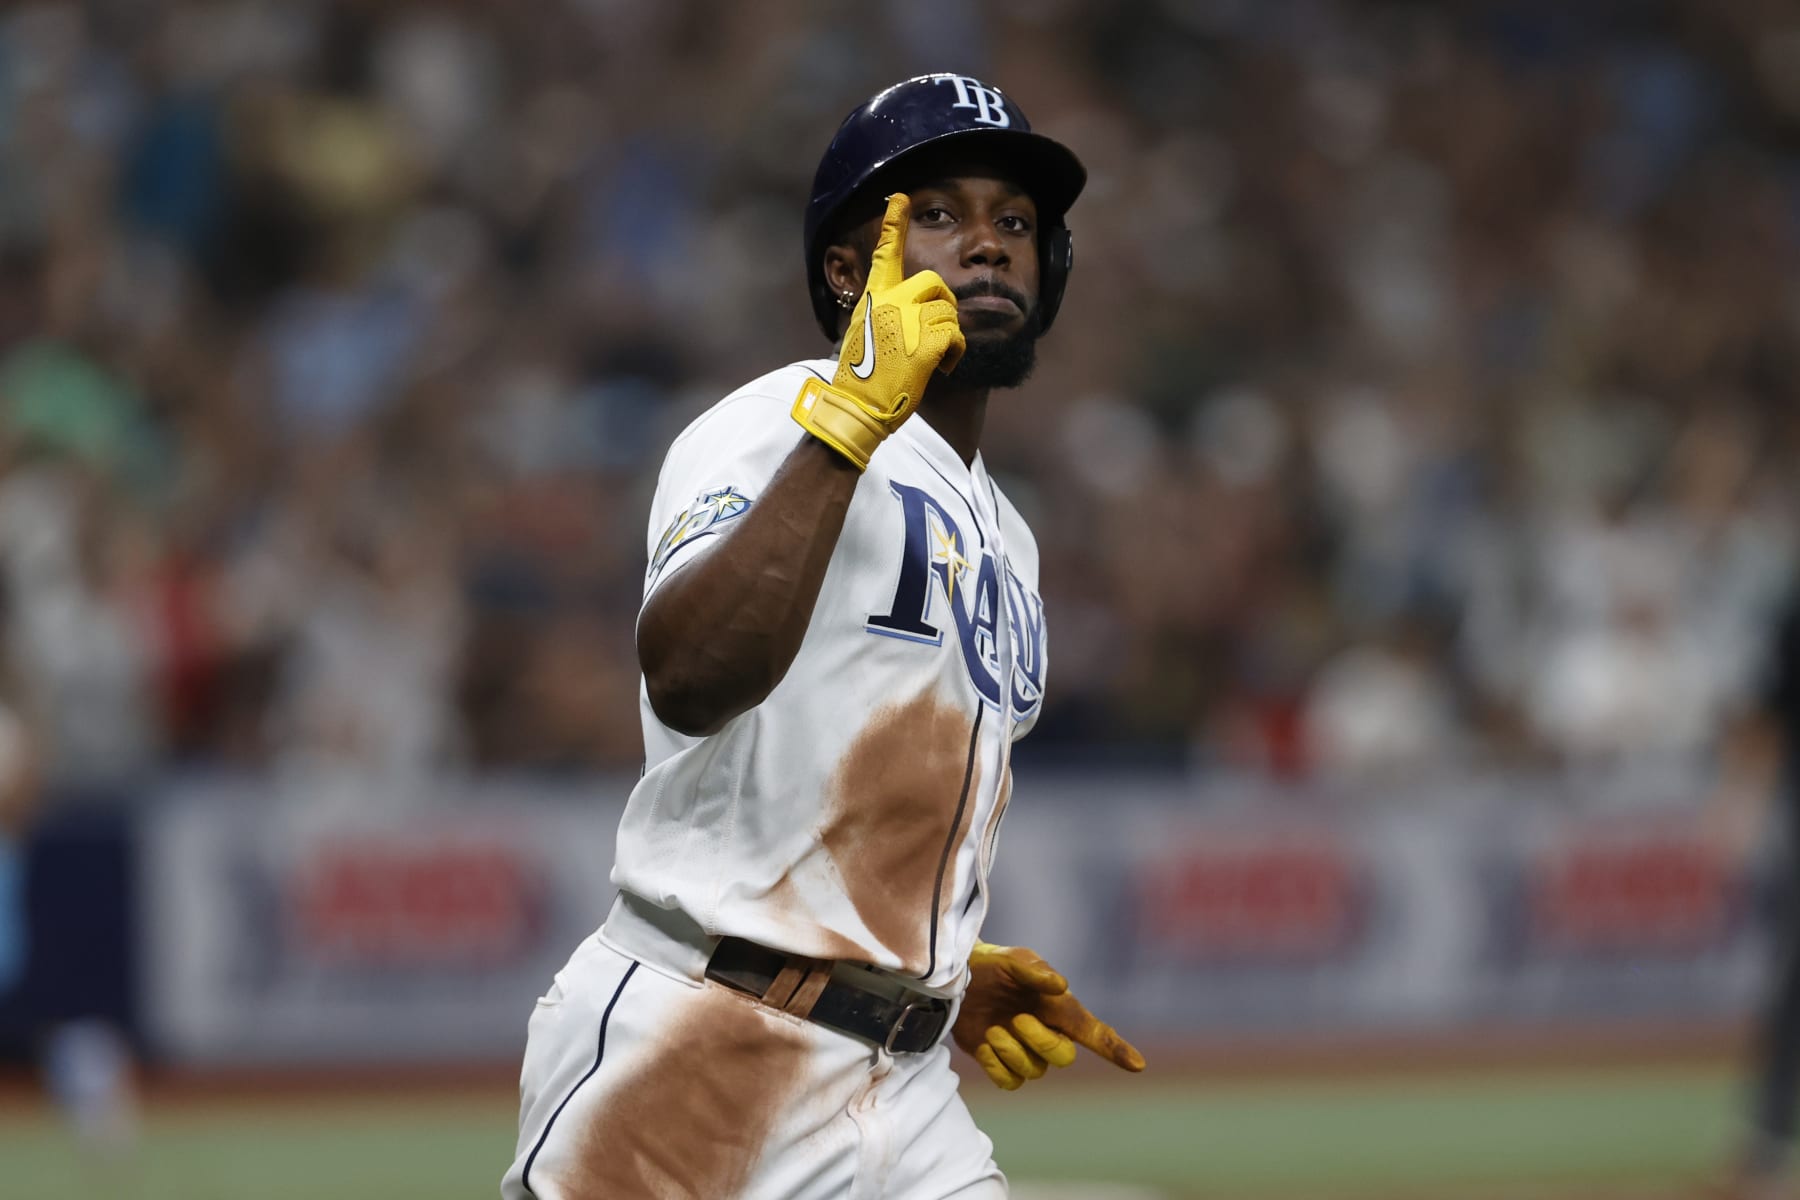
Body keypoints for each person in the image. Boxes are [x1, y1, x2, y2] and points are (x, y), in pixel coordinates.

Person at [502, 74, 1145, 1200]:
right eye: (936, 214)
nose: (986, 245)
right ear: (850, 271)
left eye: (1015, 220)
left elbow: (845, 761)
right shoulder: (773, 422)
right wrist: (846, 422)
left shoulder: (1011, 536)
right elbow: (692, 676)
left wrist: (912, 974)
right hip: (700, 1045)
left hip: (903, 1085)